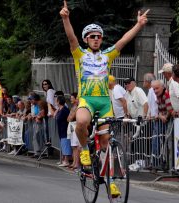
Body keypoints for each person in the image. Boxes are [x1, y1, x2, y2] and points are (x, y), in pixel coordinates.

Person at [60, 0, 149, 197]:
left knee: (107, 145)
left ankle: (111, 183)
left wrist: (139, 24)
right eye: (92, 36)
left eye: (99, 37)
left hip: (104, 102)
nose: (96, 39)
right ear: (86, 39)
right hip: (87, 100)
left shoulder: (107, 55)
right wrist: (66, 18)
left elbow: (124, 40)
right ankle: (84, 149)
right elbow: (71, 38)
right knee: (82, 122)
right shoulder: (79, 54)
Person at [55, 95, 71, 167]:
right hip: (61, 129)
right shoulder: (60, 109)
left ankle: (66, 160)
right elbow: (55, 116)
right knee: (63, 144)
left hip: (65, 129)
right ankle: (63, 159)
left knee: (65, 144)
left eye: (56, 100)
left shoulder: (65, 110)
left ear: (58, 101)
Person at [67, 92, 80, 170]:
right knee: (73, 146)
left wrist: (70, 116)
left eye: (72, 98)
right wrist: (70, 116)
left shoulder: (77, 107)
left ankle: (77, 163)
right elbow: (68, 118)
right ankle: (74, 162)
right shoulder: (73, 107)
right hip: (71, 126)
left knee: (76, 146)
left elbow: (71, 118)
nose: (71, 99)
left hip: (75, 126)